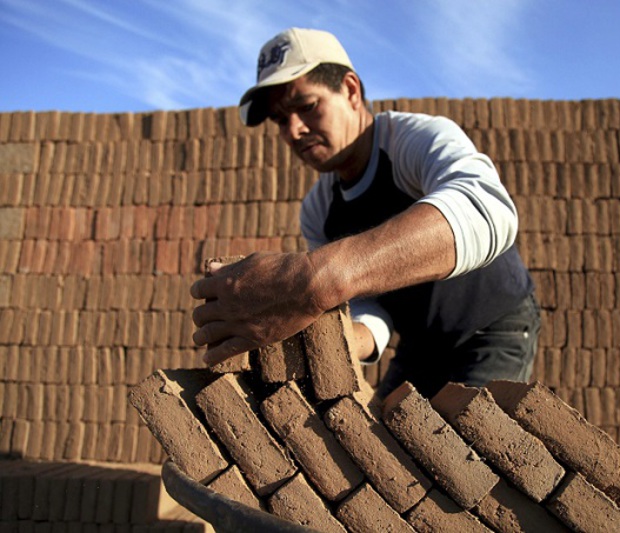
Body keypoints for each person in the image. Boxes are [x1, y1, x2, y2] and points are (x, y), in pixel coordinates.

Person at [190, 27, 540, 398]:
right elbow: (367, 304)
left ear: (351, 90)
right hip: (419, 342)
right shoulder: (318, 209)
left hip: (492, 327)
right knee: (386, 446)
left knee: (466, 449)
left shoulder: (414, 141)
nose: (293, 130)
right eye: (280, 119)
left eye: (306, 106)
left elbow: (487, 209)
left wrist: (314, 277)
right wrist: (332, 342)